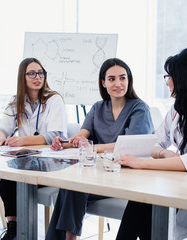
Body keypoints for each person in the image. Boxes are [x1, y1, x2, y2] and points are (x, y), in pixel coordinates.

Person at [115, 47, 187, 240]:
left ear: (186, 79)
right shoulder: (178, 109)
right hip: (186, 187)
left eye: (171, 76)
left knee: (147, 215)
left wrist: (142, 163)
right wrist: (163, 153)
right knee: (140, 202)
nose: (168, 82)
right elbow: (153, 143)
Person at [45, 58, 154, 240]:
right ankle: (69, 238)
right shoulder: (97, 107)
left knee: (73, 186)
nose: (118, 83)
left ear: (129, 80)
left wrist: (92, 148)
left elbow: (129, 146)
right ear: (103, 83)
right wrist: (63, 142)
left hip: (125, 175)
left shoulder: (139, 109)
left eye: (122, 78)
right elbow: (82, 136)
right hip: (99, 174)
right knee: (71, 184)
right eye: (111, 79)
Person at [0, 57, 67, 240]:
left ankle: (21, 230)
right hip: (26, 161)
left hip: (50, 161)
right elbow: (2, 128)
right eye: (31, 73)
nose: (37, 77)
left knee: (14, 178)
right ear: (22, 77)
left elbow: (56, 135)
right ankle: (14, 229)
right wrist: (1, 135)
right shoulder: (17, 101)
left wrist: (23, 140)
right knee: (6, 179)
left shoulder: (54, 99)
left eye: (40, 73)